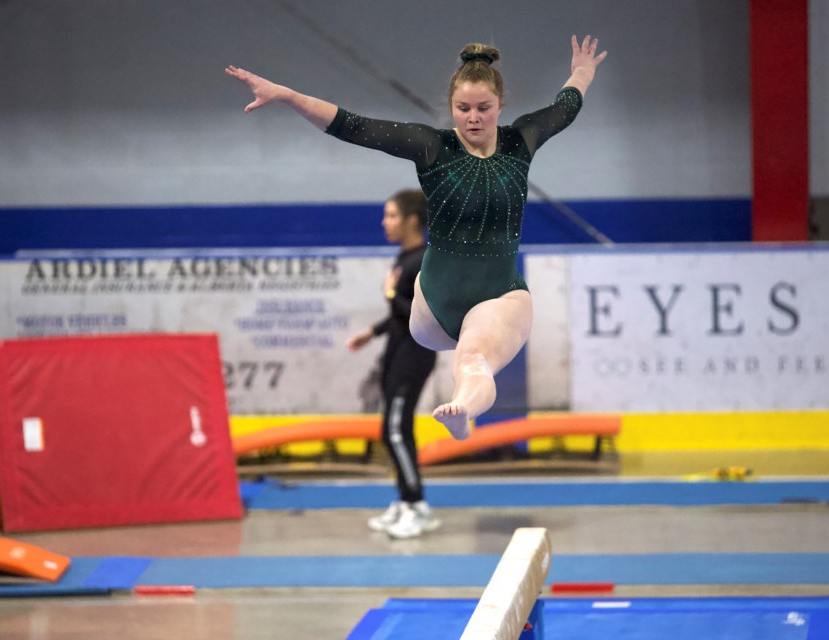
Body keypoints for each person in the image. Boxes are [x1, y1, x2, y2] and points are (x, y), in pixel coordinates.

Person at [226, 34, 606, 443]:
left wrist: (581, 75)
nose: (473, 117)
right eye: (463, 109)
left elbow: (563, 110)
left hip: (500, 293)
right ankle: (462, 401)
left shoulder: (520, 141)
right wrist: (286, 95)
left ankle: (462, 412)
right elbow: (352, 126)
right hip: (433, 307)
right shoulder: (432, 147)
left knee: (474, 359)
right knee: (460, 349)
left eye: (484, 108)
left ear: (500, 106)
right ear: (451, 108)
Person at [345, 188, 439, 539]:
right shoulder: (404, 258)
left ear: (412, 220)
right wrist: (372, 331)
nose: (385, 222)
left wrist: (389, 295)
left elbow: (421, 315)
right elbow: (398, 315)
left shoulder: (424, 260)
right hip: (397, 352)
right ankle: (405, 499)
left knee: (396, 430)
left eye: (392, 216)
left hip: (414, 355)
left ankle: (417, 506)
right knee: (393, 429)